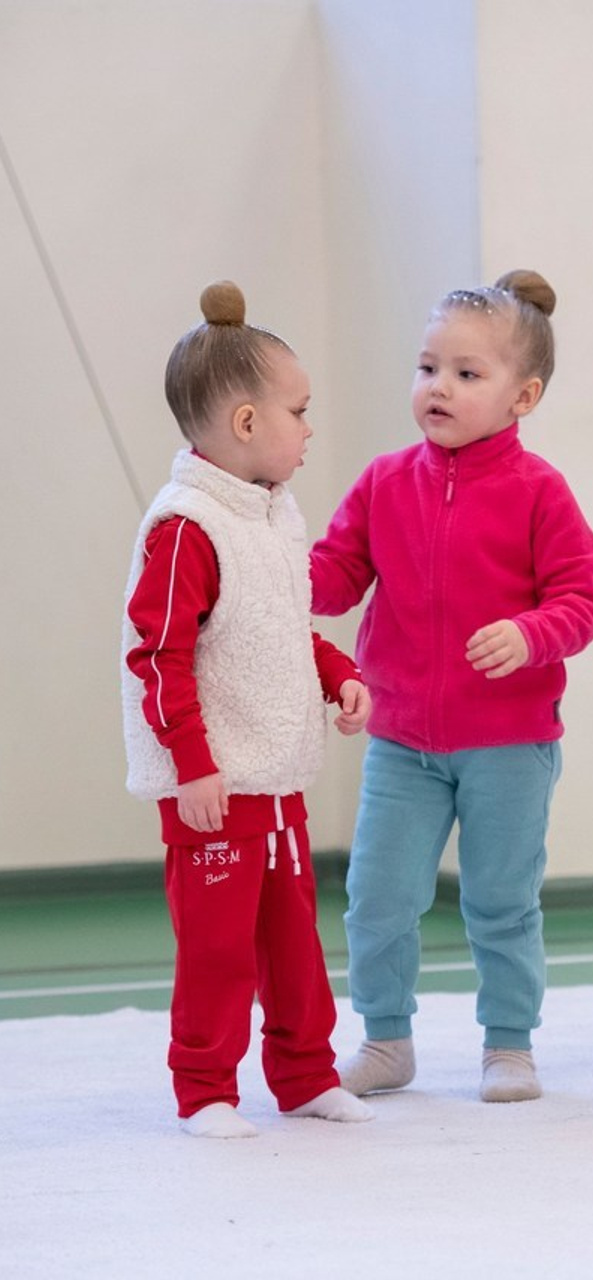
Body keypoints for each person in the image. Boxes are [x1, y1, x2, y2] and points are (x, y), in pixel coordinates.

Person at [310, 270, 593, 1103]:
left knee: (501, 902)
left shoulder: (540, 491)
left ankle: (509, 1044)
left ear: (523, 396)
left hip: (510, 744)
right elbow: (336, 575)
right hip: (402, 739)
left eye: (467, 373)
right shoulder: (384, 481)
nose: (439, 386)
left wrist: (530, 634)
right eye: (428, 367)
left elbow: (584, 601)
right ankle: (386, 1039)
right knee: (377, 897)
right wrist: (278, 571)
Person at [122, 282, 374, 1139]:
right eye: (299, 412)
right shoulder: (187, 528)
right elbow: (159, 657)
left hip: (276, 785)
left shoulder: (271, 517)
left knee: (295, 948)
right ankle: (205, 1090)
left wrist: (337, 673)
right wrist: (193, 765)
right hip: (215, 788)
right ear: (244, 422)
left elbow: (277, 631)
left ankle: (305, 1075)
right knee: (219, 952)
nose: (309, 429)